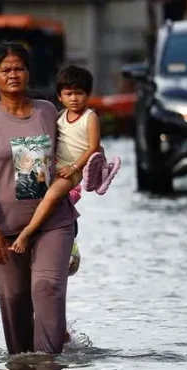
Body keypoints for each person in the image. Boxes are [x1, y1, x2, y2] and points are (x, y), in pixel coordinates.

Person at [0, 42, 79, 355]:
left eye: (19, 68)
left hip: (54, 223)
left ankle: (49, 367)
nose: (13, 75)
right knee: (16, 305)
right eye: (6, 70)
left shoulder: (47, 112)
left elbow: (72, 156)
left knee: (46, 288)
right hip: (6, 228)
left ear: (28, 73)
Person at [9, 65, 121, 254]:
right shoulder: (61, 116)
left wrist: (74, 168)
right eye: (68, 94)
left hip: (73, 171)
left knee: (52, 195)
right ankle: (27, 226)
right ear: (60, 97)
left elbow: (93, 147)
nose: (74, 98)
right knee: (30, 187)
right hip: (55, 165)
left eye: (79, 93)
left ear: (88, 94)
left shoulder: (89, 117)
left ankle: (26, 233)